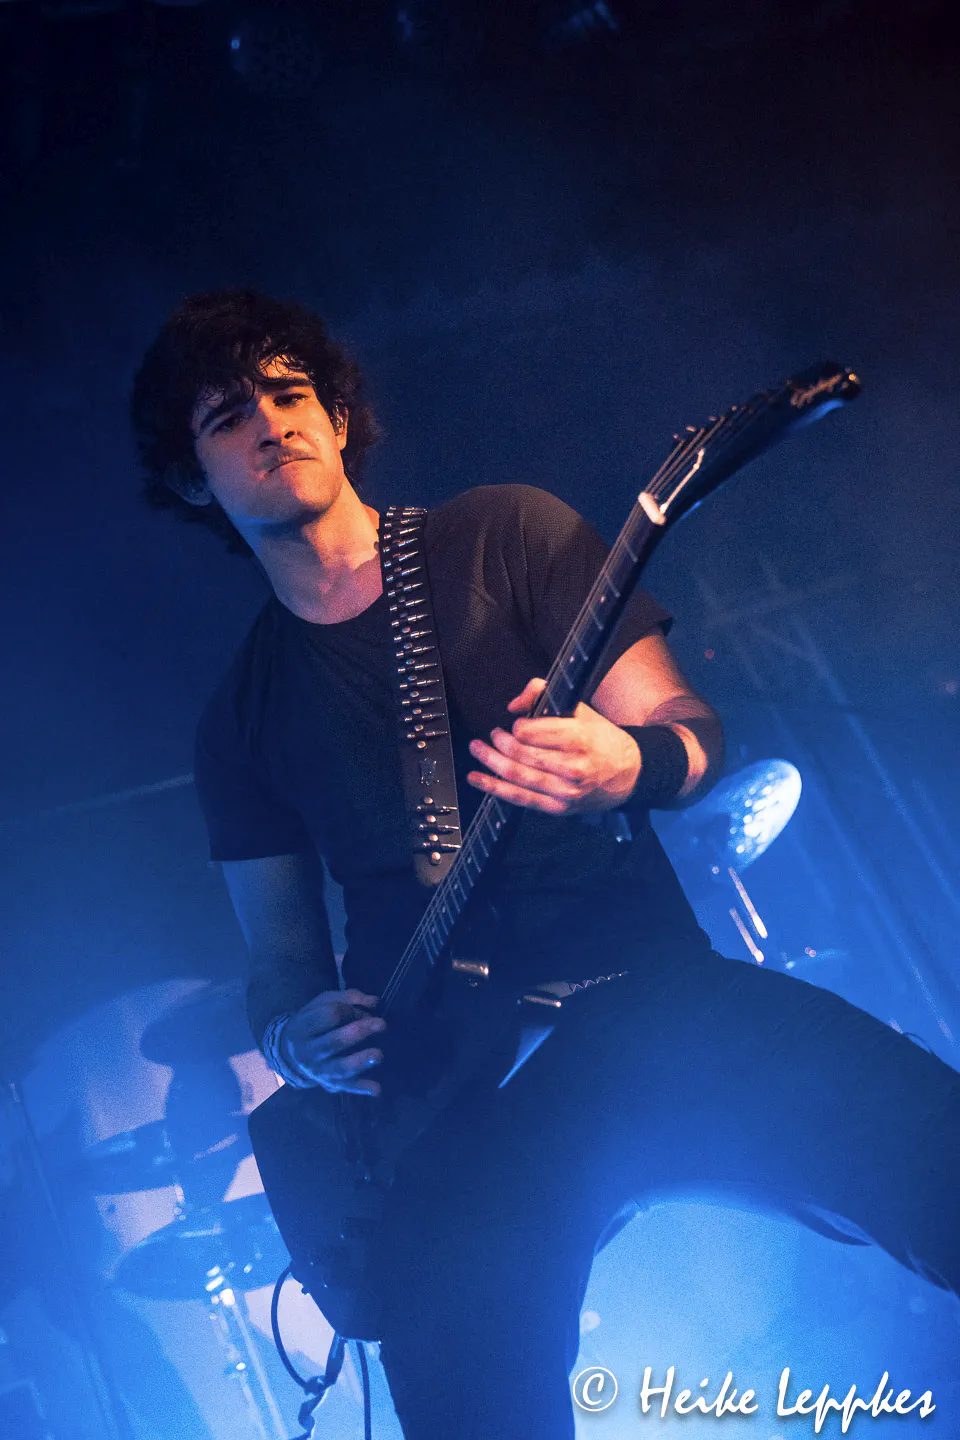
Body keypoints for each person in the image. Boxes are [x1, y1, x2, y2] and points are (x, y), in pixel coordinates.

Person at [131, 289, 960, 1440]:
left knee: (930, 1153)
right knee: (468, 1406)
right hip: (448, 1097)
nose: (273, 420)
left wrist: (626, 762)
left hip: (647, 998)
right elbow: (278, 958)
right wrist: (290, 1039)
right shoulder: (241, 717)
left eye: (289, 391)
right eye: (230, 415)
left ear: (337, 414)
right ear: (191, 479)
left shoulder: (503, 536)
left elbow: (689, 735)